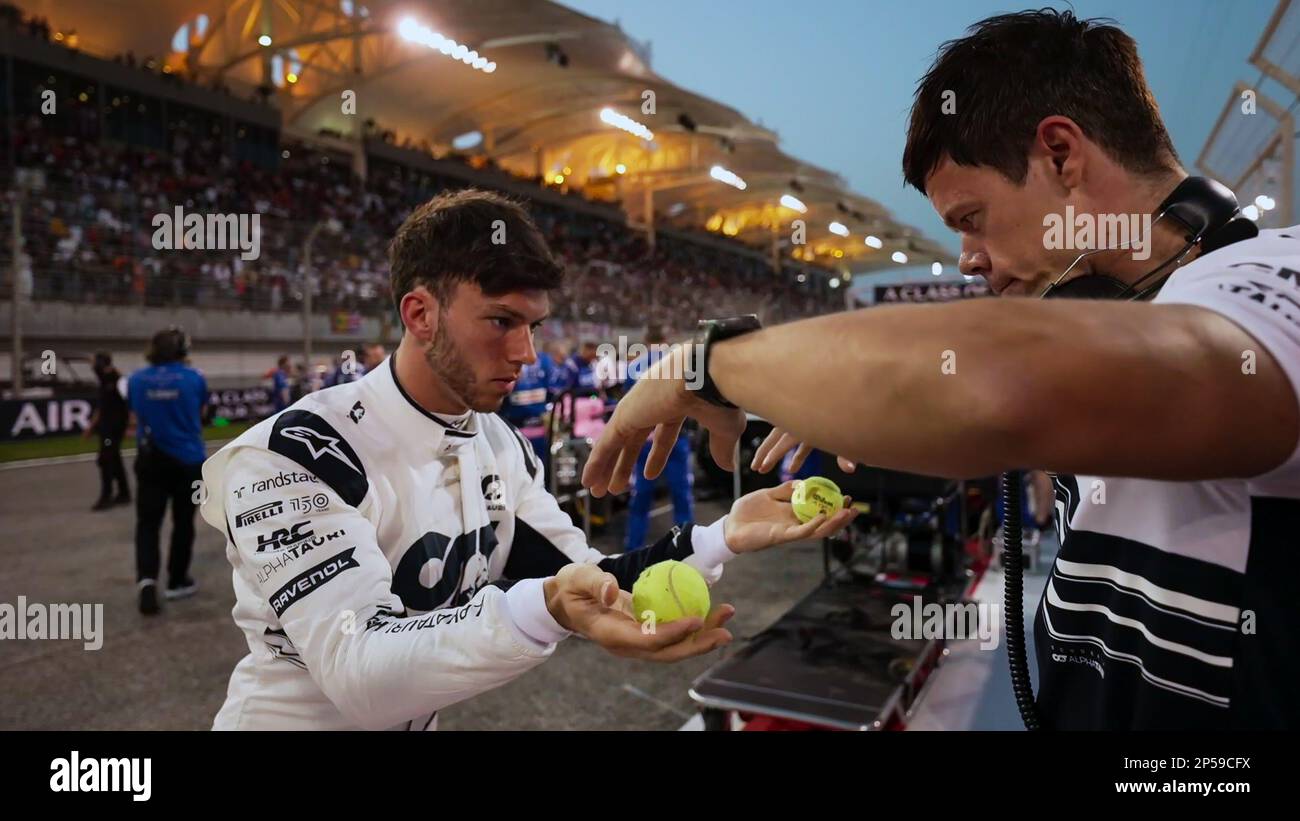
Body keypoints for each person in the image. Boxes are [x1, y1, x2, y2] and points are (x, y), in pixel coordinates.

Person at [583, 10, 1300, 730]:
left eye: (972, 218)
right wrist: (851, 396)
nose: (966, 257)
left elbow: (1000, 386)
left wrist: (711, 363)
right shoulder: (1139, 313)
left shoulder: (1278, 270)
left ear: (1060, 155)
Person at [197, 189, 856, 730]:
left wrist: (722, 535)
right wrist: (547, 608)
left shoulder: (498, 443)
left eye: (534, 326)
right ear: (420, 313)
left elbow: (590, 578)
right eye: (501, 322)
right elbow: (362, 677)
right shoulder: (296, 454)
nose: (527, 353)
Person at [127, 327, 208, 614]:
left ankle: (147, 581)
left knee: (147, 523)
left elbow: (134, 415)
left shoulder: (135, 380)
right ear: (182, 351)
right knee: (183, 523)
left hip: (151, 459)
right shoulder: (194, 378)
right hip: (188, 461)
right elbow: (200, 413)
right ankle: (176, 580)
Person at [623, 326, 693, 551]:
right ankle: (686, 546)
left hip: (645, 439)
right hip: (675, 437)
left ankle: (633, 548)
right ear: (665, 340)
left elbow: (627, 405)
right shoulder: (680, 363)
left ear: (645, 341)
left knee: (641, 498)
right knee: (681, 495)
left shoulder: (634, 367)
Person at [84, 351, 131, 510]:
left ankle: (107, 495)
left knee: (106, 459)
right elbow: (102, 407)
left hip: (115, 427)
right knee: (114, 458)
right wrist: (91, 426)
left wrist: (131, 426)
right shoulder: (104, 381)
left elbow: (130, 404)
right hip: (106, 426)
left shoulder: (118, 380)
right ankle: (124, 493)